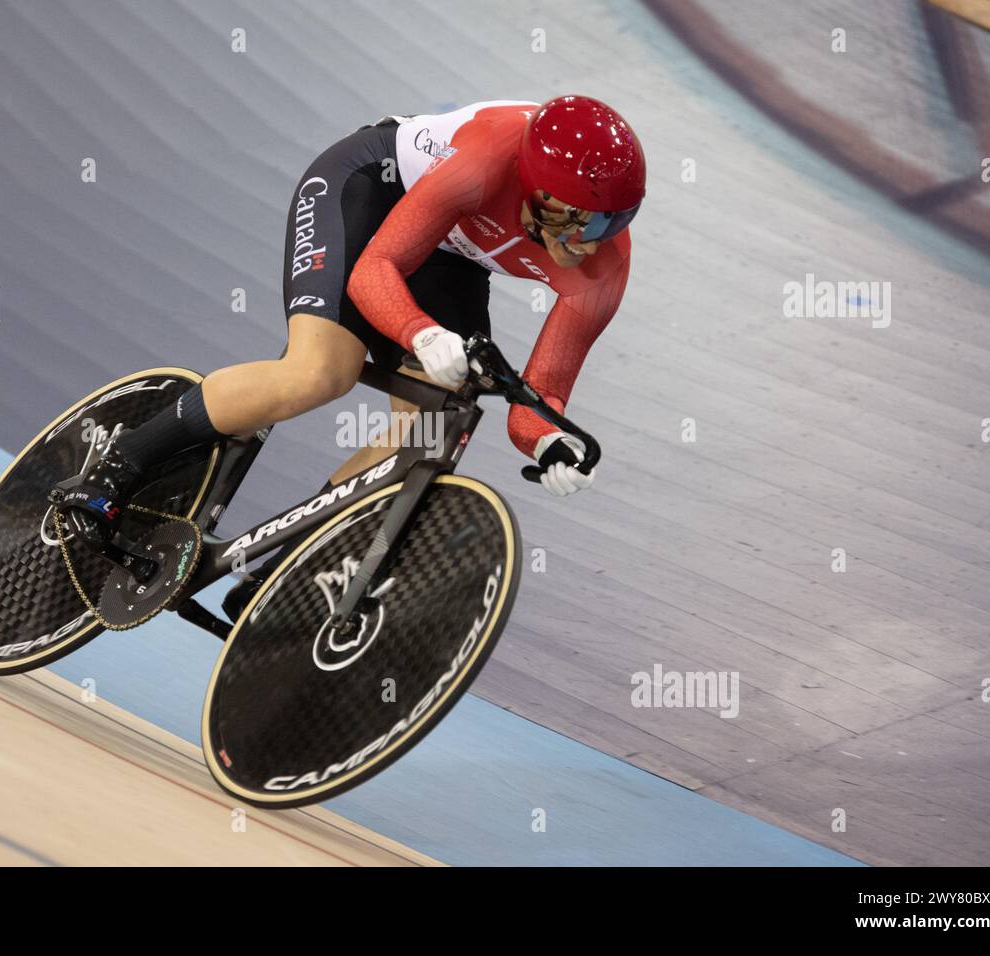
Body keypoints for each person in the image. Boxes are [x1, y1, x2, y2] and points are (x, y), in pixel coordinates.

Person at [53, 95, 646, 620]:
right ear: (536, 192)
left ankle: (280, 570)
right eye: (582, 220)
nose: (593, 240)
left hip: (450, 251)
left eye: (615, 220)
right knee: (321, 371)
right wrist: (418, 334)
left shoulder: (603, 270)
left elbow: (539, 393)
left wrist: (547, 442)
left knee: (433, 433)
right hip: (370, 188)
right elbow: (374, 271)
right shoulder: (483, 162)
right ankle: (120, 461)